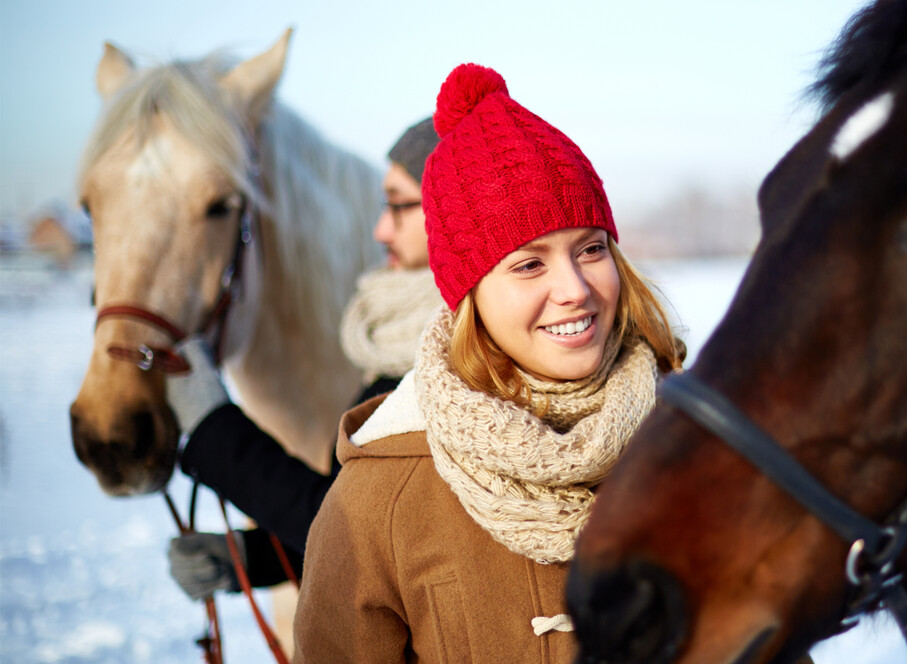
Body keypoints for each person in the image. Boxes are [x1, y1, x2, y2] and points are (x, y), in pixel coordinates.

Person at [292, 63, 684, 664]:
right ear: (467, 294)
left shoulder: (696, 445)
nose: (575, 289)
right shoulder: (378, 498)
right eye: (529, 264)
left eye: (591, 249)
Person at [164, 117, 444, 599]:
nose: (380, 228)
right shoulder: (401, 338)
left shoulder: (447, 359)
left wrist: (213, 425)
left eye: (399, 205)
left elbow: (359, 536)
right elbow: (378, 521)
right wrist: (246, 559)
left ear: (454, 209)